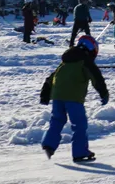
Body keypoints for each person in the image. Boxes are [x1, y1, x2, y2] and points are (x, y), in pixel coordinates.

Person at [39, 34, 108, 163]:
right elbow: (96, 78)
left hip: (58, 97)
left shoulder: (65, 62)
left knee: (57, 120)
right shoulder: (85, 61)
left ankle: (48, 144)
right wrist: (104, 94)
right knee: (79, 124)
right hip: (73, 98)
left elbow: (50, 79)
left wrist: (45, 96)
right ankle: (80, 152)